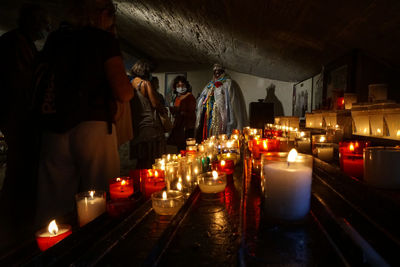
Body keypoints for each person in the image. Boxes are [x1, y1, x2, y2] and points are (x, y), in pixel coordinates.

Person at [35, 0, 133, 227]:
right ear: (100, 14)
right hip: (93, 127)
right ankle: (97, 246)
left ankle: (51, 251)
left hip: (53, 126)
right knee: (100, 192)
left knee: (53, 199)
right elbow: (124, 92)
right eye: (111, 13)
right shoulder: (103, 40)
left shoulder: (54, 39)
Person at [0, 3, 50, 251]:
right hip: (19, 118)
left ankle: (16, 223)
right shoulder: (15, 44)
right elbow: (22, 85)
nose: (45, 26)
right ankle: (14, 227)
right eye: (42, 20)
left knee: (21, 169)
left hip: (18, 118)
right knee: (21, 169)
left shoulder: (20, 43)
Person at [195, 64, 248, 141]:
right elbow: (202, 98)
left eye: (219, 71)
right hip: (210, 113)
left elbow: (232, 101)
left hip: (222, 114)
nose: (217, 73)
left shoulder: (228, 83)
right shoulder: (209, 85)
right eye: (215, 71)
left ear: (223, 72)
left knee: (221, 132)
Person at [129, 59, 167, 169]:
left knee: (140, 160)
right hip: (149, 125)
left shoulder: (131, 84)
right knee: (150, 159)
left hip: (136, 125)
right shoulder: (145, 84)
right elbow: (155, 104)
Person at [168, 76, 196, 151]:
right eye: (178, 86)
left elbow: (191, 112)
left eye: (182, 85)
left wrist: (182, 112)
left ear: (186, 86)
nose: (181, 88)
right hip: (178, 127)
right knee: (179, 149)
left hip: (187, 127)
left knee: (187, 149)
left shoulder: (190, 97)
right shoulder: (177, 98)